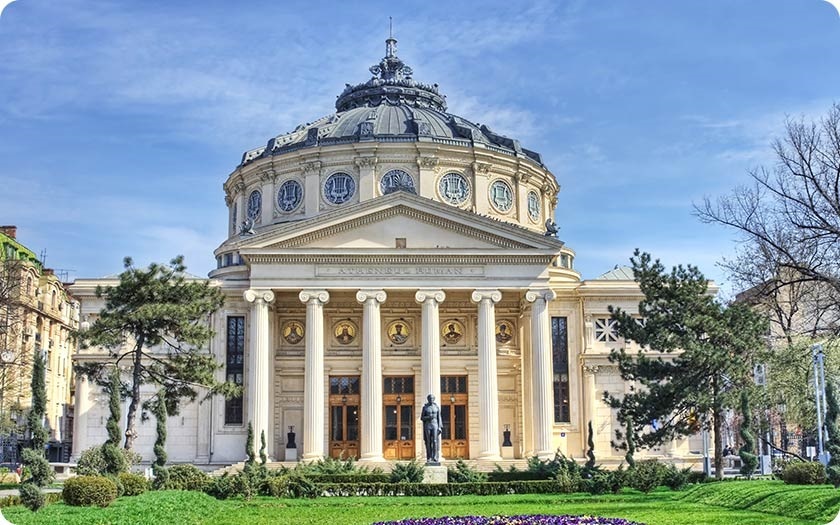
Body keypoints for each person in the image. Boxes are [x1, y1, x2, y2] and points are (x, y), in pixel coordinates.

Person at [420, 393, 442, 463]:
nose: (431, 400)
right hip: (428, 425)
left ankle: (435, 457)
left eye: (432, 398)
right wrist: (428, 417)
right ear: (428, 399)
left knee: (435, 441)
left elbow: (439, 417)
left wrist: (440, 427)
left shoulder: (436, 407)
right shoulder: (425, 407)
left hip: (435, 424)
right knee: (428, 441)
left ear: (434, 399)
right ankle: (429, 457)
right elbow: (422, 418)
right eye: (430, 399)